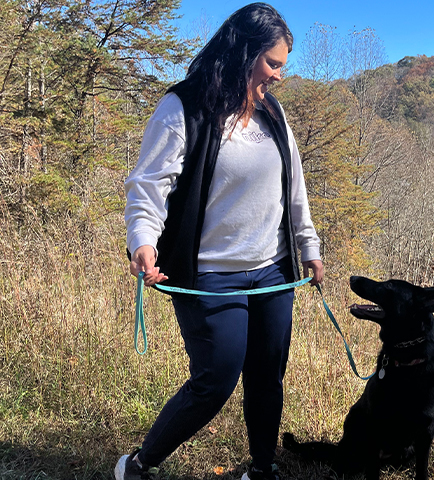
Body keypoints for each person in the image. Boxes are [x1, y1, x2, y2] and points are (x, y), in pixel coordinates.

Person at [115, 4, 323, 480]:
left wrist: (308, 247)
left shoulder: (272, 111)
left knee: (267, 376)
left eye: (282, 66)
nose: (279, 76)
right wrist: (142, 242)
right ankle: (138, 465)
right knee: (215, 380)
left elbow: (294, 186)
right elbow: (149, 186)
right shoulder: (183, 105)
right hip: (209, 275)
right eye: (272, 63)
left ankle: (263, 468)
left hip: (271, 271)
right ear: (242, 52)